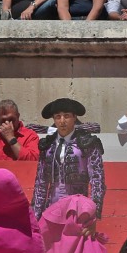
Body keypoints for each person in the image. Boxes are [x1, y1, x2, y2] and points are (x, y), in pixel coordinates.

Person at [32, 97, 106, 226]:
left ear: (74, 117)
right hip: (52, 207)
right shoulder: (47, 145)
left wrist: (93, 213)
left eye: (66, 116)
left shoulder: (88, 143)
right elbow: (41, 183)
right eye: (57, 117)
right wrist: (35, 217)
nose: (62, 121)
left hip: (78, 208)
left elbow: (97, 181)